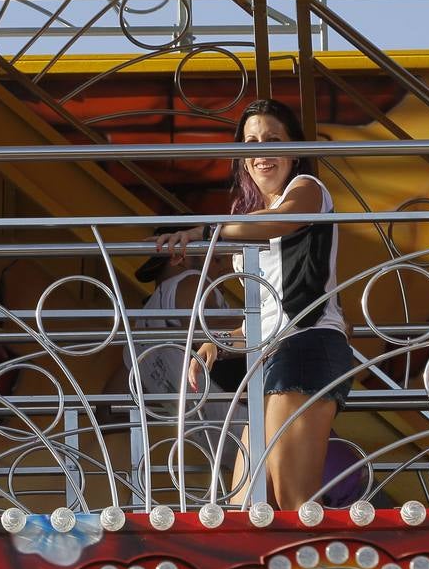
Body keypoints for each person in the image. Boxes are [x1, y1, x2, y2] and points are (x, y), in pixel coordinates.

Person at [155, 98, 353, 510]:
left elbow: (284, 222)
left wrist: (209, 230)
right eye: (251, 142)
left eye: (272, 139)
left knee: (289, 499)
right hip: (270, 357)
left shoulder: (306, 189)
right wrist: (218, 343)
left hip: (307, 348)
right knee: (247, 501)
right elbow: (265, 311)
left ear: (295, 151)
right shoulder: (251, 214)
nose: (261, 151)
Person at [126, 227, 245, 473]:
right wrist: (275, 317)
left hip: (217, 445)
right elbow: (213, 334)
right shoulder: (191, 281)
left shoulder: (137, 329)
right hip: (252, 424)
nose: (225, 266)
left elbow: (111, 401)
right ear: (177, 255)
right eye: (216, 257)